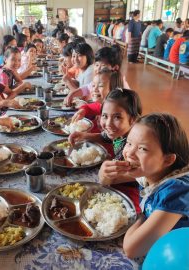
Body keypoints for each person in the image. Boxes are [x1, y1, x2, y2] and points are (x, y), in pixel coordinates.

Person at [122, 113, 189, 258]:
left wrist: (140, 217)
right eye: (129, 143)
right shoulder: (151, 174)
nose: (129, 153)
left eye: (143, 149)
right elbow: (107, 178)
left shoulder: (176, 192)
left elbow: (131, 250)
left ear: (168, 160)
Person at [69, 89, 142, 212]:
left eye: (117, 117)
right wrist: (84, 135)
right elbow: (106, 136)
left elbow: (114, 178)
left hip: (134, 196)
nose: (108, 123)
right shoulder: (121, 132)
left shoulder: (134, 147)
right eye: (104, 116)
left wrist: (107, 177)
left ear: (132, 119)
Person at [71, 68, 124, 133]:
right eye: (93, 85)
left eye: (100, 86)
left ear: (114, 90)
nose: (95, 89)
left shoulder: (116, 113)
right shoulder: (100, 105)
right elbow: (88, 107)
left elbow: (110, 138)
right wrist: (82, 110)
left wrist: (87, 136)